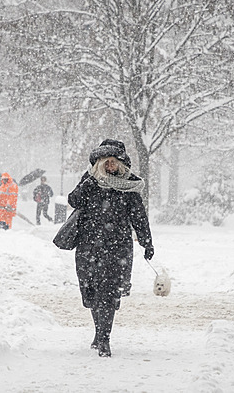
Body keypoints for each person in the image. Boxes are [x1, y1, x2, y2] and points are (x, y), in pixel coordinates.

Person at [67, 139, 154, 357]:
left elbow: (139, 216)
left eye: (114, 162)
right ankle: (99, 332)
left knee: (109, 292)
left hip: (118, 247)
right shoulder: (89, 180)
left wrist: (146, 241)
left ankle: (104, 338)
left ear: (121, 163)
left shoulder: (129, 185)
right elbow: (73, 200)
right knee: (92, 291)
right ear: (99, 162)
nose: (110, 166)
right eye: (106, 161)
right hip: (89, 245)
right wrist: (86, 185)